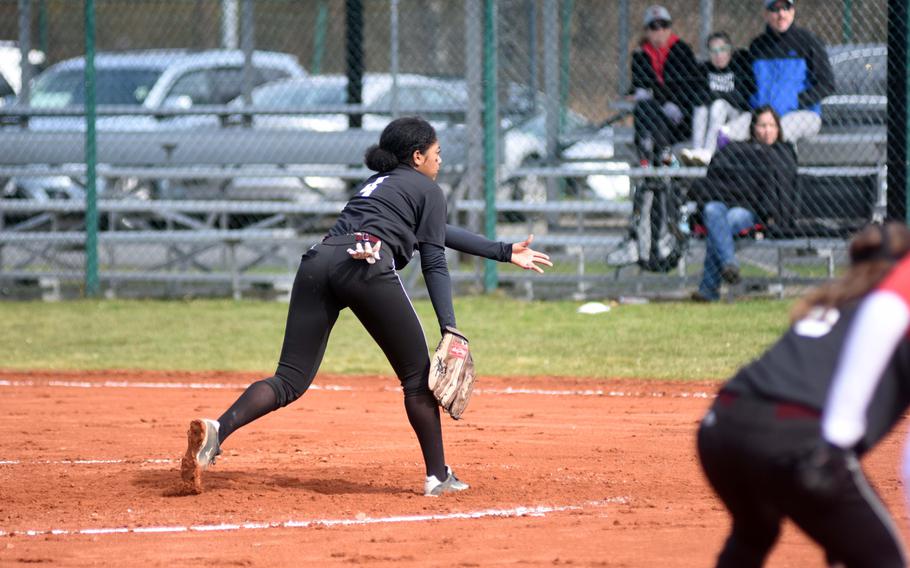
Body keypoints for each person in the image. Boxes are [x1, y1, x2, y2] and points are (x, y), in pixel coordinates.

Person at [179, 116, 552, 497]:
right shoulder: (428, 189)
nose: (440, 161)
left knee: (289, 380)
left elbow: (433, 233)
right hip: (365, 264)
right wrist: (450, 327)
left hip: (317, 261)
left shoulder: (377, 184)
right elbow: (434, 259)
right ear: (417, 155)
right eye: (436, 154)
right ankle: (438, 477)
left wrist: (503, 251)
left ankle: (218, 430)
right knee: (417, 378)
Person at [697, 221, 910, 568]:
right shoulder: (894, 309)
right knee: (884, 560)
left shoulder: (831, 304)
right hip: (791, 437)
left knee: (754, 532)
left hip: (720, 425)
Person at [691, 106, 797, 302]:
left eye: (772, 126)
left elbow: (779, 191)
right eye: (762, 125)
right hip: (723, 203)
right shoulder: (738, 149)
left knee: (728, 221)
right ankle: (729, 264)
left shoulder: (783, 151)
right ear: (753, 128)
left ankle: (709, 289)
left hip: (751, 211)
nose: (767, 130)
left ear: (779, 129)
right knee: (711, 210)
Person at [723, 0, 834, 145]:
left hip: (803, 114)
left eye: (785, 8)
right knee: (726, 133)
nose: (781, 14)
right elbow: (748, 86)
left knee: (777, 130)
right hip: (764, 115)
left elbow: (827, 84)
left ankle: (783, 167)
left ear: (792, 11)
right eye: (775, 9)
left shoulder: (808, 41)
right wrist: (757, 105)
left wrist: (794, 101)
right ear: (766, 14)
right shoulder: (757, 46)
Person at [629, 5, 702, 166]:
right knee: (644, 108)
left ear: (669, 28)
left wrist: (665, 98)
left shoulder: (682, 50)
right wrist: (662, 99)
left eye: (664, 25)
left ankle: (650, 158)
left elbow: (688, 86)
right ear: (647, 31)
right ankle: (659, 158)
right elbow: (640, 85)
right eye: (654, 27)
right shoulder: (640, 54)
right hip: (655, 115)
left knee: (646, 109)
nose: (660, 31)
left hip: (680, 117)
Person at [680, 32, 752, 166]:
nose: (718, 55)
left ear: (730, 50)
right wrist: (719, 95)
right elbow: (697, 98)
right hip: (711, 117)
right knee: (701, 108)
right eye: (714, 51)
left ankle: (708, 152)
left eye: (722, 50)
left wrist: (715, 95)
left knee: (718, 104)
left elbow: (741, 100)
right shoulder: (703, 70)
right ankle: (697, 149)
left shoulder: (739, 68)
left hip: (734, 117)